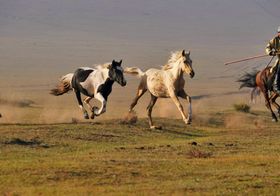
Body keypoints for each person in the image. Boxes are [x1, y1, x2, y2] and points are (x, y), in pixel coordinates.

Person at [266, 26, 280, 93]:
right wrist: (270, 52)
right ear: (278, 33)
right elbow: (268, 47)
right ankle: (276, 84)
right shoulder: (274, 40)